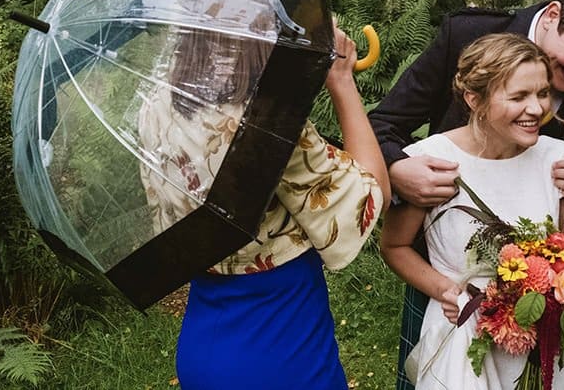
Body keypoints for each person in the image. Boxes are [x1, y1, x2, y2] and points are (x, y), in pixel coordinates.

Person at [368, 0, 564, 389]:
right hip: (451, 277)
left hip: (546, 308)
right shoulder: (467, 34)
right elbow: (382, 124)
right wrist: (398, 169)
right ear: (554, 15)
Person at [138, 22, 391, 390]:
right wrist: (341, 79)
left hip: (204, 339)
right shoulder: (265, 115)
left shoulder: (157, 99)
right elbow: (371, 193)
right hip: (283, 348)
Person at [380, 34, 564, 389]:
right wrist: (447, 291)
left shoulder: (558, 159)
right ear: (475, 100)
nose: (536, 109)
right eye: (519, 97)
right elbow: (394, 247)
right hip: (463, 337)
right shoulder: (432, 161)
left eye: (542, 93)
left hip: (536, 342)